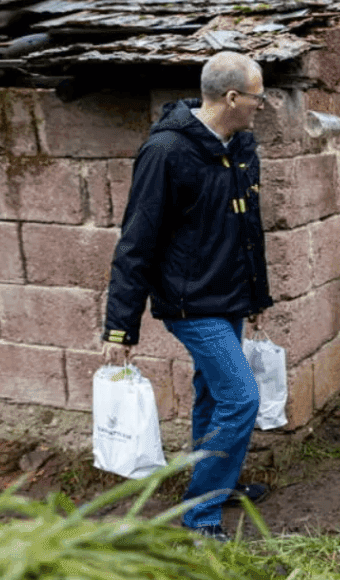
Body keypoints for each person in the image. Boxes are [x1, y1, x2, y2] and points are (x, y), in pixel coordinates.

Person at [102, 51, 273, 542]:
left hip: (229, 297)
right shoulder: (167, 152)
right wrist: (120, 327)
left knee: (212, 394)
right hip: (189, 303)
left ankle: (213, 489)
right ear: (232, 97)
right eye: (257, 97)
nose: (262, 106)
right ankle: (199, 521)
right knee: (241, 398)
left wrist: (255, 297)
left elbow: (247, 229)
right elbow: (136, 242)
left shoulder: (240, 146)